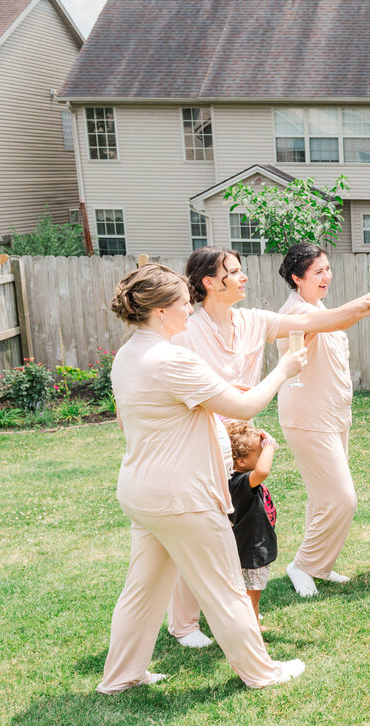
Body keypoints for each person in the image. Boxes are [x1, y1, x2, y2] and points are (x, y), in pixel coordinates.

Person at [97, 263, 307, 694]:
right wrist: (284, 369)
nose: (189, 309)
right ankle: (261, 673)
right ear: (159, 312)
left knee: (141, 591)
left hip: (143, 491)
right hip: (182, 496)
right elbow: (242, 406)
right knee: (226, 588)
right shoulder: (170, 358)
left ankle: (122, 676)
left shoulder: (127, 355)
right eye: (182, 303)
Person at [166, 246, 370, 647]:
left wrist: (366, 305)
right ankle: (183, 624)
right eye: (234, 271)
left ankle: (236, 613)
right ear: (209, 283)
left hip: (240, 442)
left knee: (236, 530)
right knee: (201, 529)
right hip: (198, 439)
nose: (244, 276)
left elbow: (321, 319)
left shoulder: (253, 321)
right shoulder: (187, 333)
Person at [275, 243, 370, 594]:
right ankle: (303, 565)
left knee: (323, 498)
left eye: (327, 269)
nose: (326, 276)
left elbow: (340, 316)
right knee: (342, 498)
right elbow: (337, 319)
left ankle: (319, 565)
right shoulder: (296, 313)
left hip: (334, 415)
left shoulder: (318, 306)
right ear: (297, 278)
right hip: (308, 418)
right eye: (317, 271)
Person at [225, 420, 280, 629]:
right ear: (240, 462)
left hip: (254, 547)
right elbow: (263, 471)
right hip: (250, 551)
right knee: (251, 598)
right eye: (259, 453)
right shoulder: (238, 483)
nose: (264, 456)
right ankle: (252, 635)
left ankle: (252, 625)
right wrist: (271, 445)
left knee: (250, 597)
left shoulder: (241, 479)